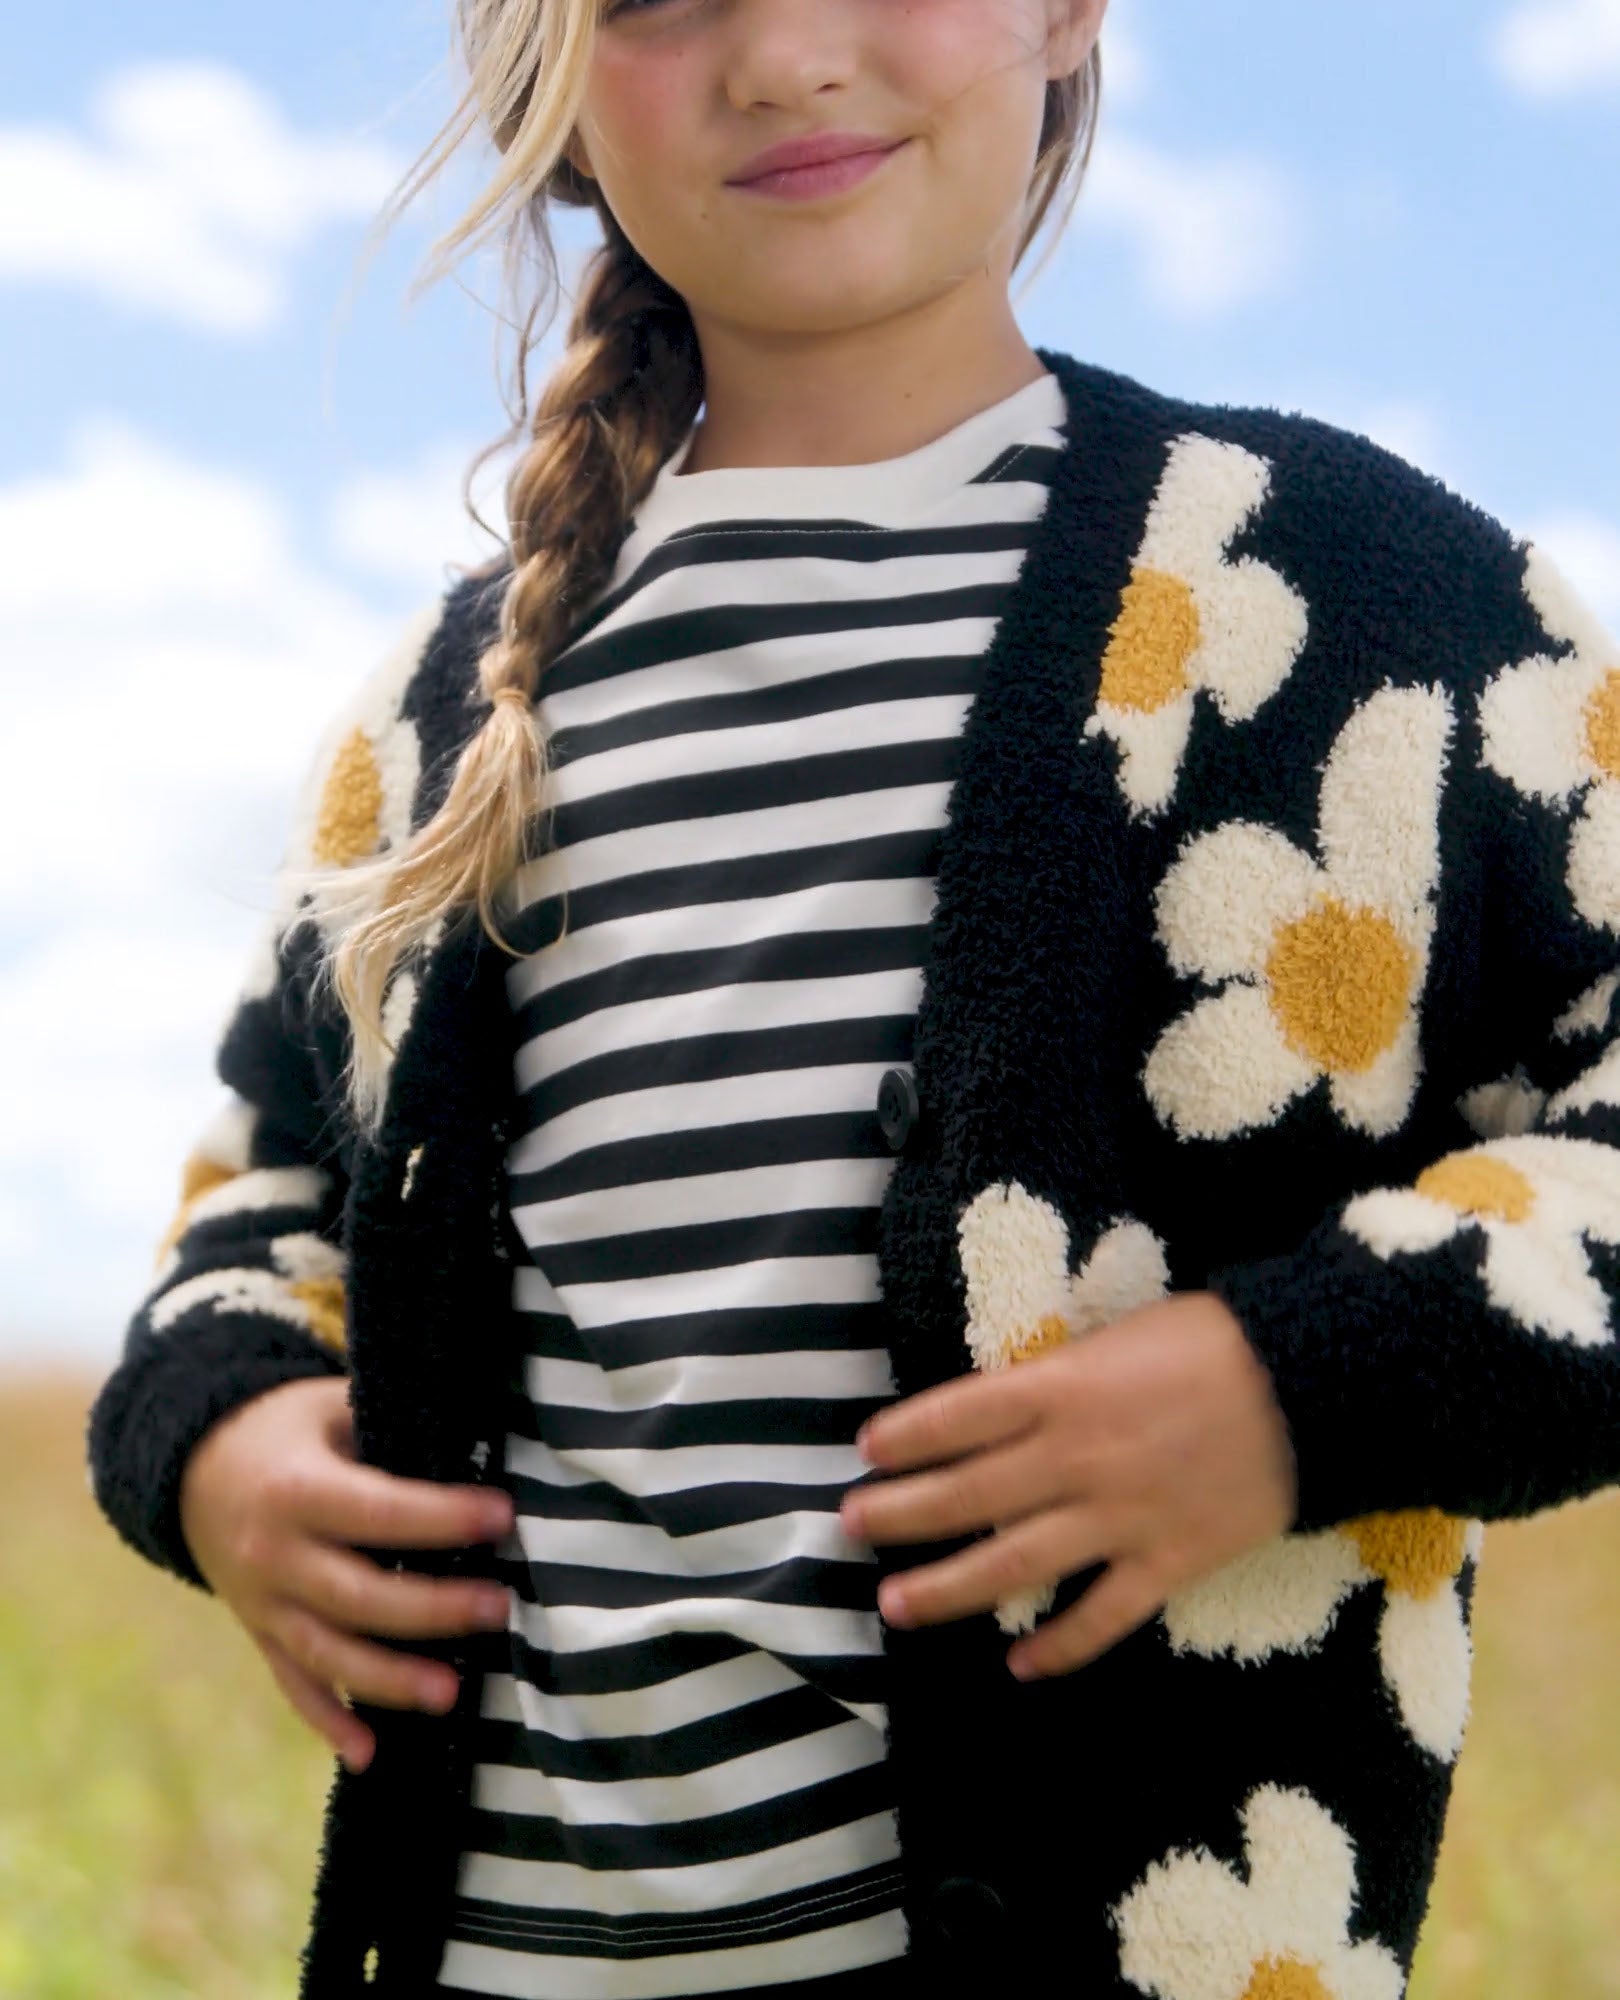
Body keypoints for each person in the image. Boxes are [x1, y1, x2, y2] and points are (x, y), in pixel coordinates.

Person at [86, 1, 1620, 1995]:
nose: (788, 56)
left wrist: (1289, 1384)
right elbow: (253, 1207)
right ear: (545, 67)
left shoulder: (1373, 614)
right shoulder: (444, 726)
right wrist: (221, 1450)